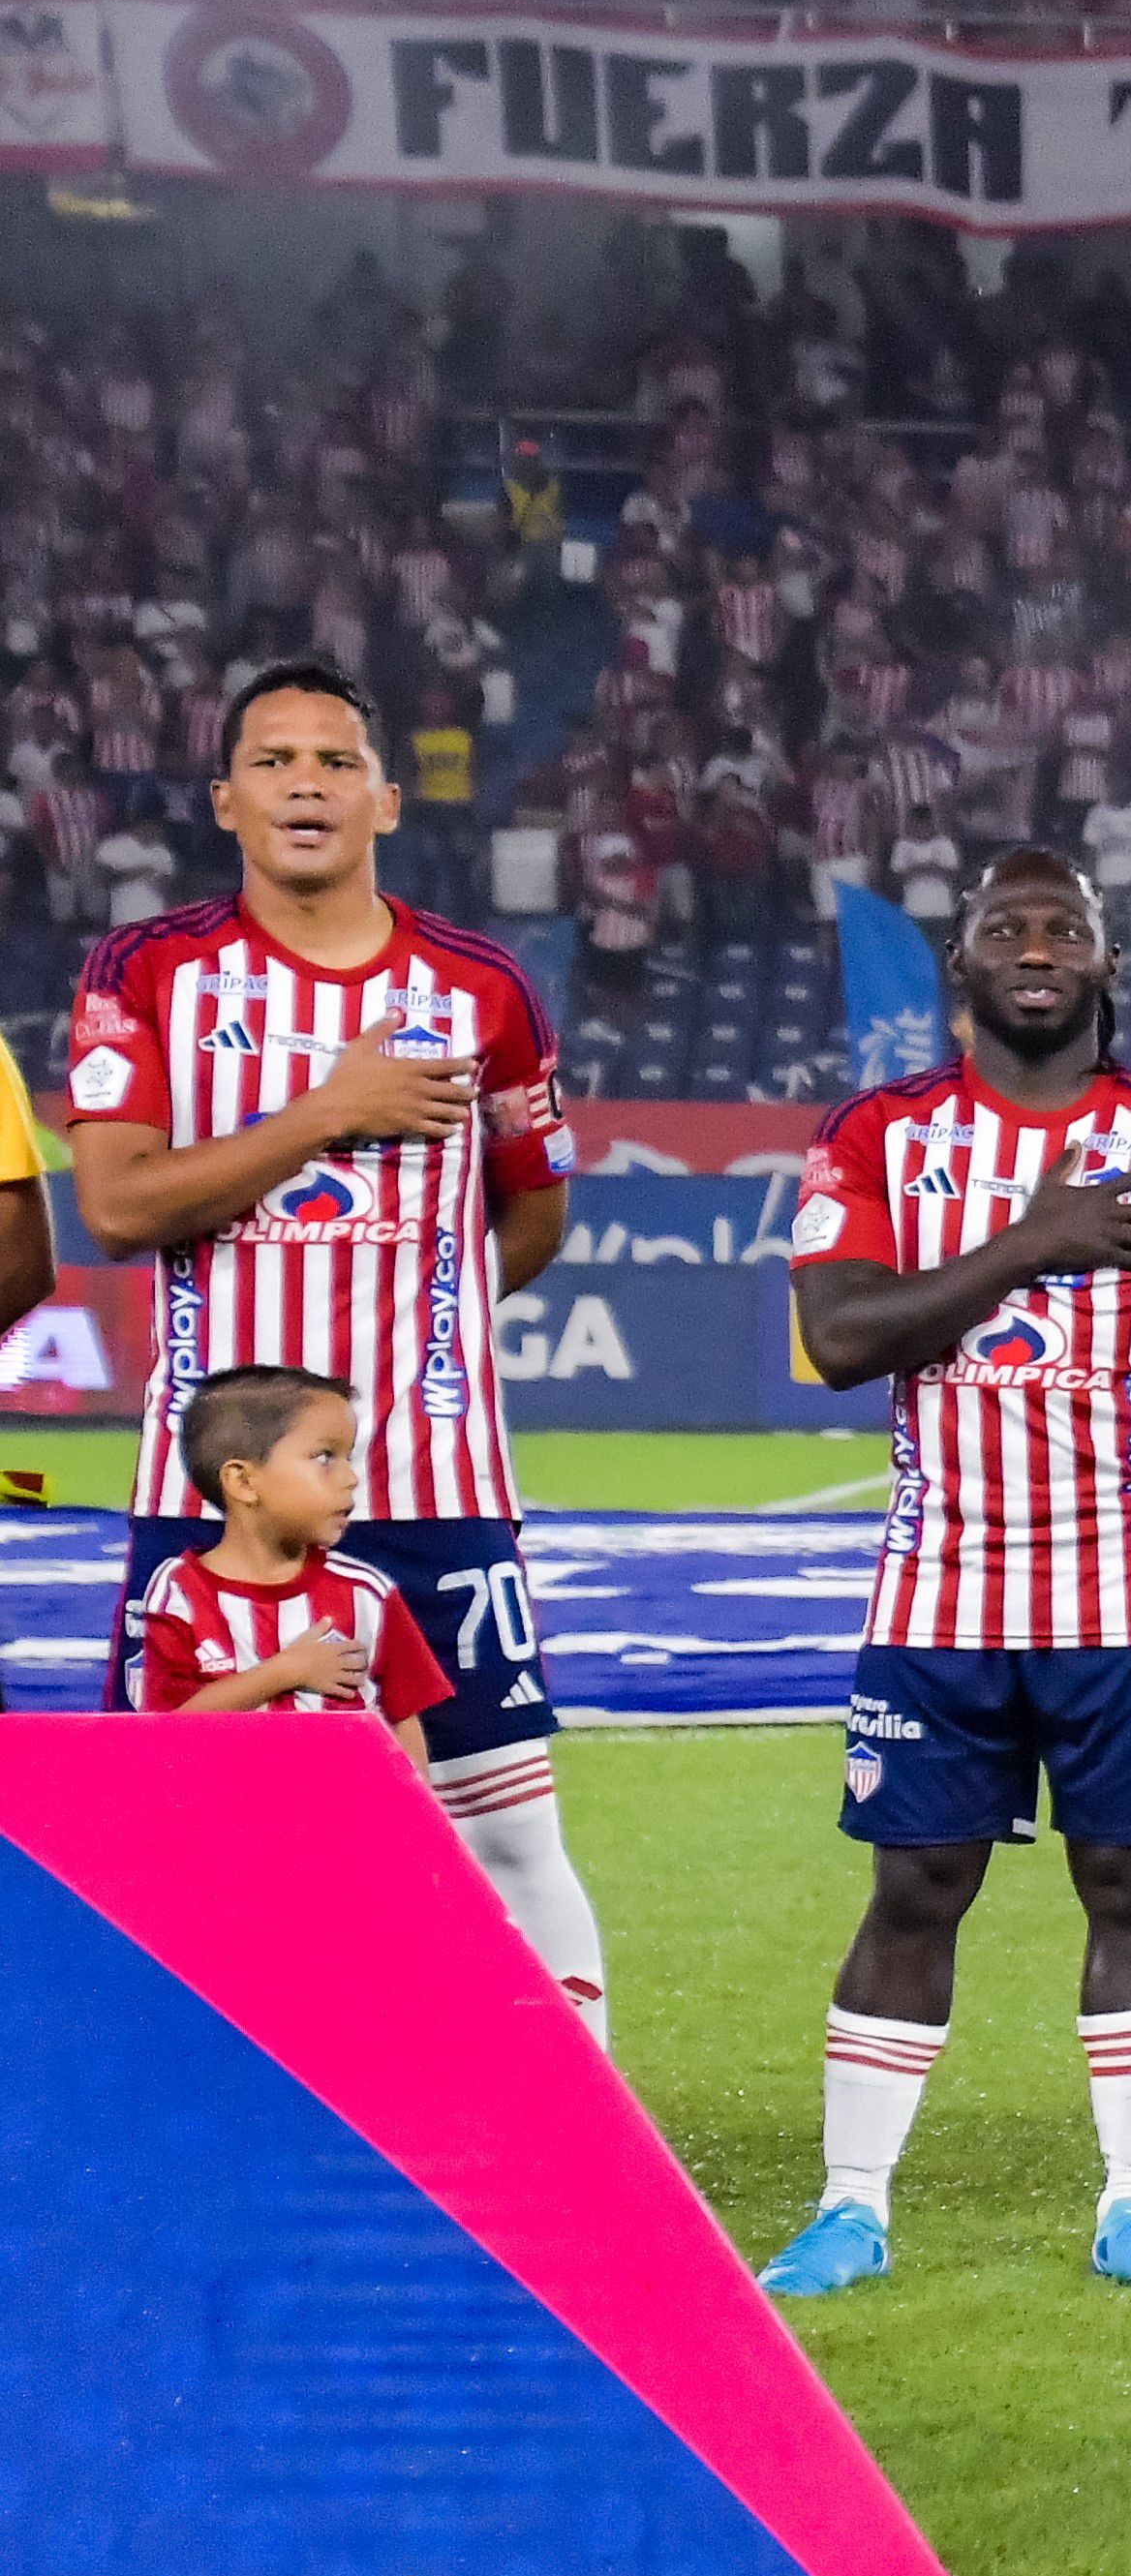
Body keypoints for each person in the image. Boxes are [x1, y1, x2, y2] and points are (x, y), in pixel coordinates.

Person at [754, 852, 1131, 2303]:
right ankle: (849, 2206)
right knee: (916, 1886)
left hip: (1125, 1594)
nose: (1037, 946)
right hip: (938, 1592)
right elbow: (843, 1334)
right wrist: (1031, 1242)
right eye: (1008, 927)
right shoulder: (879, 1135)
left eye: (1067, 927)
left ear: (1109, 962)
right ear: (962, 964)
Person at [70, 659, 602, 2039]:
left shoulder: (484, 986)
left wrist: (426, 1343)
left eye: (332, 759)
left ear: (382, 796)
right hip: (210, 1496)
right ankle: (196, 2124)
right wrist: (332, 1111)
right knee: (183, 1836)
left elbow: (531, 1211)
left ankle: (582, 2143)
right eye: (274, 760)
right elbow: (122, 1204)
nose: (305, 780)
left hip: (436, 1488)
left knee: (505, 1831)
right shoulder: (149, 972)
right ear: (226, 801)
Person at [122, 1364, 451, 1730]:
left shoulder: (367, 1592)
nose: (351, 1478)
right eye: (325, 1457)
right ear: (243, 1481)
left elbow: (403, 1723)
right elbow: (162, 1730)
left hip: (344, 1790)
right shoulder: (178, 1595)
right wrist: (286, 1671)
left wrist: (413, 1789)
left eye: (348, 1457)